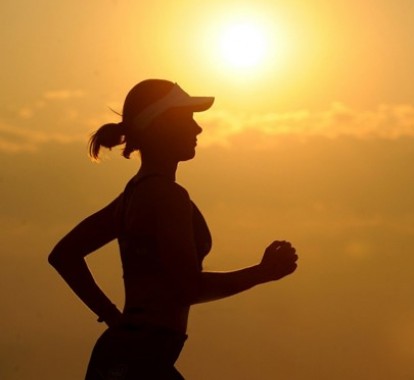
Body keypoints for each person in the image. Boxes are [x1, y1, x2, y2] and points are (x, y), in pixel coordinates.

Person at [48, 79, 298, 379]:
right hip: (138, 360)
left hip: (131, 355)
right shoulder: (166, 196)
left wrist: (115, 318)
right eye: (187, 119)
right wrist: (262, 273)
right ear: (160, 126)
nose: (198, 129)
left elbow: (64, 255)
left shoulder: (135, 193)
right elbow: (188, 288)